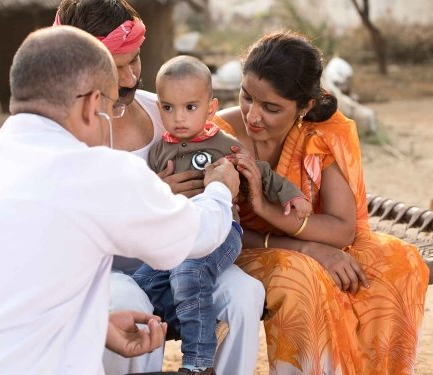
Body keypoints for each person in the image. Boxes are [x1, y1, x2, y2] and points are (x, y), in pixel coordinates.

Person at [0, 25, 242, 374]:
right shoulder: (95, 171)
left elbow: (3, 299)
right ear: (93, 105)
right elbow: (197, 236)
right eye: (111, 106)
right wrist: (219, 187)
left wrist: (95, 323)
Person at [54, 2, 266, 375]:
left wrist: (225, 190)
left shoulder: (165, 112)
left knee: (245, 294)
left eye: (134, 60)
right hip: (106, 275)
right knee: (131, 302)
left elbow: (219, 146)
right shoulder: (65, 135)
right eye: (116, 68)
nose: (131, 76)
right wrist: (152, 199)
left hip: (185, 258)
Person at [214, 29, 430, 374]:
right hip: (237, 249)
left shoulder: (324, 134)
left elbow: (343, 230)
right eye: (246, 97)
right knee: (302, 276)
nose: (253, 116)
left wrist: (271, 211)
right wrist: (308, 250)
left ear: (306, 106)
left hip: (306, 239)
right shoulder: (217, 134)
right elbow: (216, 230)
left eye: (271, 108)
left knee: (398, 262)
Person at [132, 55, 311, 375]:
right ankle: (185, 324)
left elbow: (261, 172)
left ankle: (199, 362)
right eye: (169, 108)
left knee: (189, 272)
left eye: (190, 107)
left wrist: (292, 195)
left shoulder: (223, 144)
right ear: (160, 110)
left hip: (222, 233)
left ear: (210, 108)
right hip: (177, 235)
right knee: (141, 283)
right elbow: (145, 197)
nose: (179, 118)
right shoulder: (160, 150)